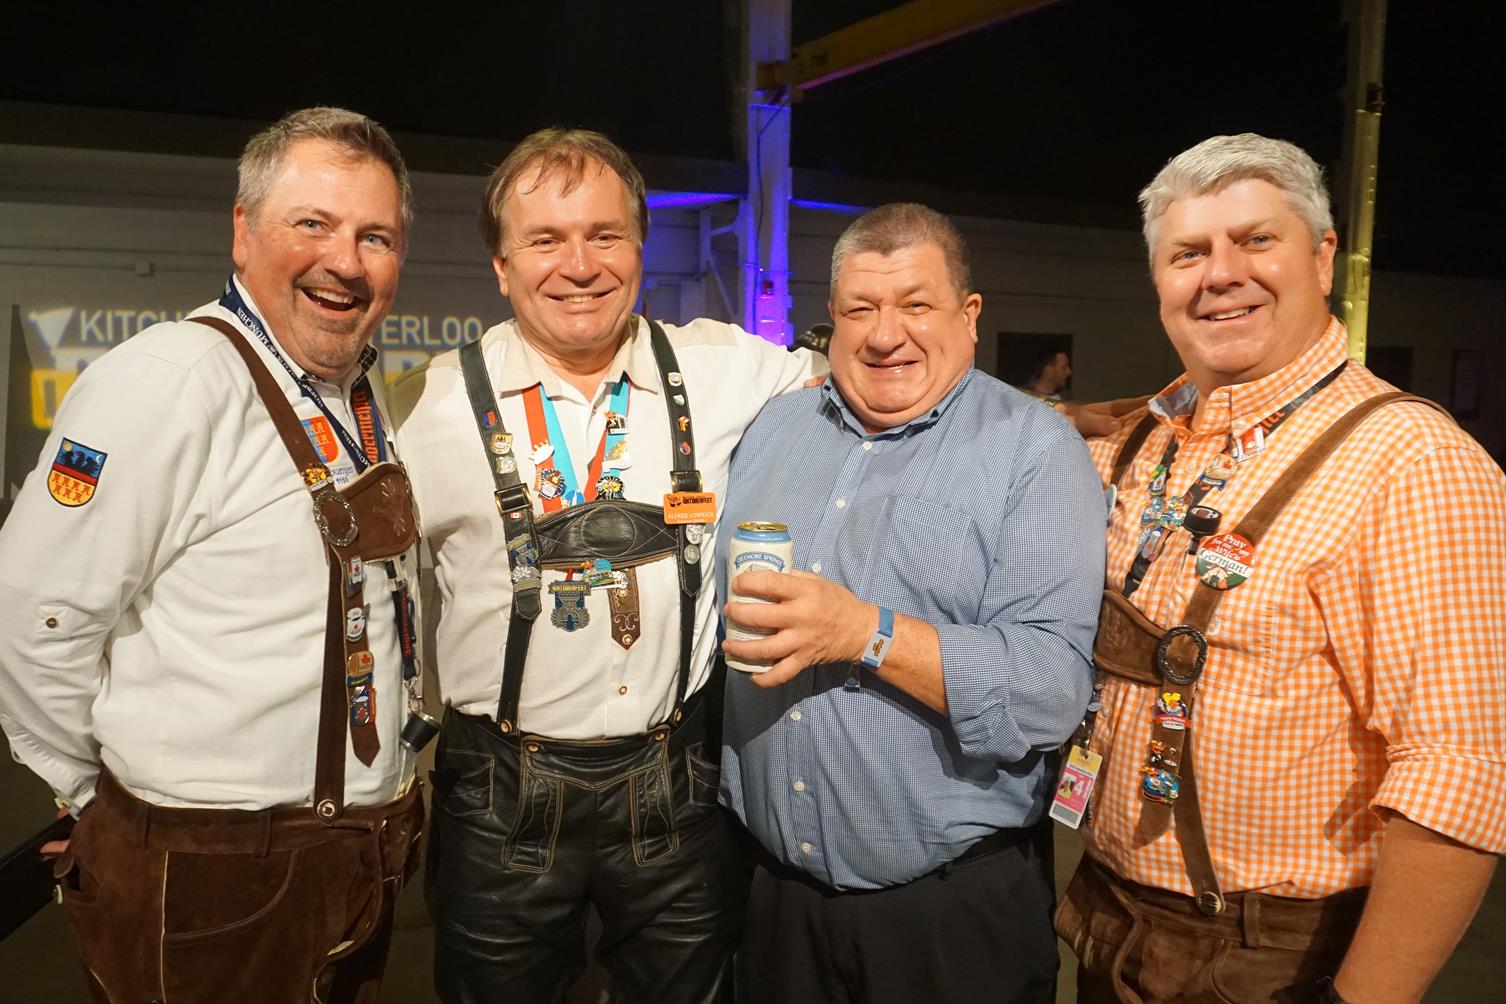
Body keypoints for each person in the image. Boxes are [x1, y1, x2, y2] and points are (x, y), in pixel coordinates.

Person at [1055, 133, 1506, 1003]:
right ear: (1158, 281)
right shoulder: (1139, 440)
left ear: (1323, 258)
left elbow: (1458, 774)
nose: (1221, 274)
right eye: (1189, 253)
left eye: (1256, 240)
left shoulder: (1412, 463)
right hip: (1109, 922)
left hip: (1270, 960)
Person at [0, 107, 425, 1003]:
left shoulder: (345, 390)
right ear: (243, 230)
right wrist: (99, 797)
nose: (346, 262)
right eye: (312, 223)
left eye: (375, 236)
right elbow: (33, 616)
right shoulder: (168, 380)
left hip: (353, 860)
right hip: (214, 877)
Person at [389, 127, 823, 1004]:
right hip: (498, 795)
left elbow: (878, 385)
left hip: (679, 783)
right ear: (501, 266)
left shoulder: (726, 366)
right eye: (545, 241)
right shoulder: (422, 407)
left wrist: (1055, 419)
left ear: (639, 247)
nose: (579, 265)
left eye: (604, 235)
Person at [718, 202, 1106, 1003]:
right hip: (772, 903)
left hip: (948, 921)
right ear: (832, 318)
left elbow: (1047, 690)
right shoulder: (770, 429)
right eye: (861, 308)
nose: (885, 334)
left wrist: (864, 632)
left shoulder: (1034, 449)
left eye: (916, 304)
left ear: (969, 315)